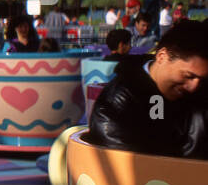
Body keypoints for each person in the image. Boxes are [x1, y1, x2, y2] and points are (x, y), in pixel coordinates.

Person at [88, 19, 208, 159]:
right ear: (162, 56)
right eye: (188, 76)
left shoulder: (200, 94)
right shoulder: (116, 106)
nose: (193, 87)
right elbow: (129, 170)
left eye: (202, 79)